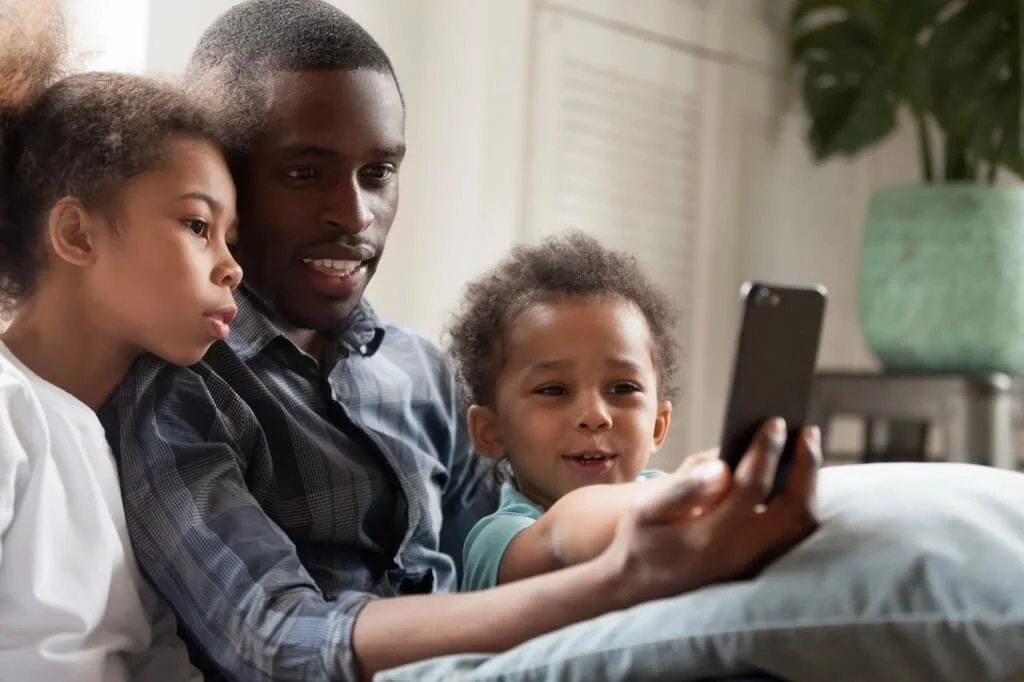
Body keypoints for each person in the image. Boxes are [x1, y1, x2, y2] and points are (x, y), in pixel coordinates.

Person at [99, 1, 822, 680]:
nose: (354, 213)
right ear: (219, 182)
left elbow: (511, 546)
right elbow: (276, 640)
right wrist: (618, 579)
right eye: (303, 172)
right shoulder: (176, 386)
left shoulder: (418, 369)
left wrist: (675, 516)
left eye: (379, 173)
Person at [0, 0, 242, 679]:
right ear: (77, 234)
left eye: (232, 238)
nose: (232, 266)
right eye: (198, 225)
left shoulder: (135, 440)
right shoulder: (8, 408)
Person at [444, 231, 816, 592]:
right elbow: (561, 535)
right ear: (489, 432)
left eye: (622, 388)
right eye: (554, 390)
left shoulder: (664, 492)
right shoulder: (497, 540)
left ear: (658, 424)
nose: (595, 415)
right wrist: (693, 492)